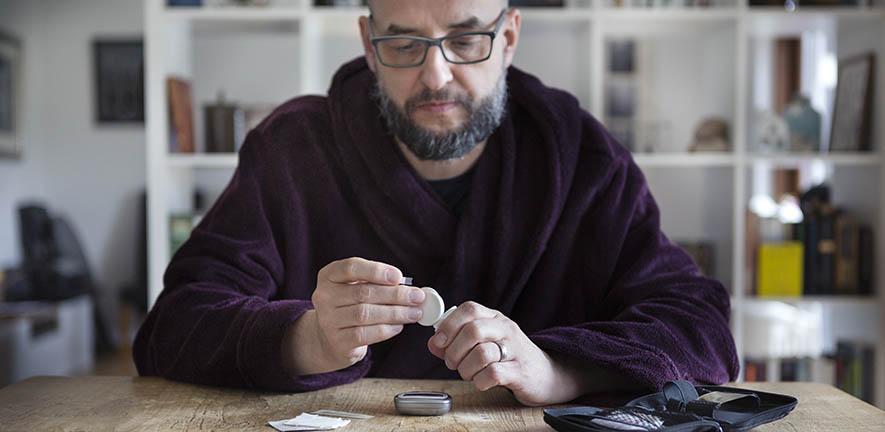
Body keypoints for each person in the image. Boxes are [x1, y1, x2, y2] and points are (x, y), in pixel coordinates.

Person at [134, 0, 739, 406]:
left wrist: (555, 368)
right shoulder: (291, 151)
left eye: (466, 38)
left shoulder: (577, 153)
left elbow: (701, 326)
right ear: (370, 46)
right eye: (404, 44)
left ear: (507, 38)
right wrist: (304, 340)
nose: (436, 75)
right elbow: (175, 324)